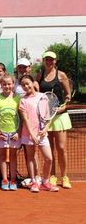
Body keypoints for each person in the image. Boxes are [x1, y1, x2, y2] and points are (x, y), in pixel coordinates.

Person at [36, 50, 72, 189]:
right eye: (47, 59)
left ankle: (64, 177)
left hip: (60, 116)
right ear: (44, 60)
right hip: (46, 117)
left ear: (55, 61)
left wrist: (65, 104)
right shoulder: (40, 75)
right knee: (49, 149)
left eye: (51, 59)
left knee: (61, 148)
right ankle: (52, 176)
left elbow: (68, 95)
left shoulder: (61, 75)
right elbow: (37, 92)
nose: (49, 62)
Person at [18, 75, 59, 192]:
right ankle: (34, 182)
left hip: (42, 134)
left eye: (28, 83)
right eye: (23, 85)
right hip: (29, 134)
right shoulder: (23, 101)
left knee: (49, 158)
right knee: (30, 157)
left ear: (33, 83)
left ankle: (45, 181)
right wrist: (32, 134)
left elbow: (48, 115)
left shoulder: (43, 97)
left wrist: (46, 128)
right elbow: (25, 120)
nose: (26, 86)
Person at [0, 74, 21, 191]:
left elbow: (21, 117)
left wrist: (17, 132)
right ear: (1, 85)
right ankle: (4, 179)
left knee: (13, 156)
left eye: (9, 84)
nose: (7, 86)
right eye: (4, 84)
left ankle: (13, 179)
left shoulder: (18, 98)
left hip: (14, 133)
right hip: (1, 133)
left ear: (13, 84)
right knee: (2, 156)